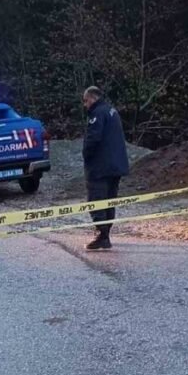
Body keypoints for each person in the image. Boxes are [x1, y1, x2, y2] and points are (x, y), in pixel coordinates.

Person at [81, 86, 130, 251]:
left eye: (86, 101)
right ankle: (105, 234)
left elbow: (93, 138)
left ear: (93, 98)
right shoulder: (111, 111)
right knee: (110, 200)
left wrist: (86, 154)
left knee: (96, 200)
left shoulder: (97, 114)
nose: (85, 105)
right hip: (116, 165)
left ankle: (102, 235)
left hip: (100, 166)